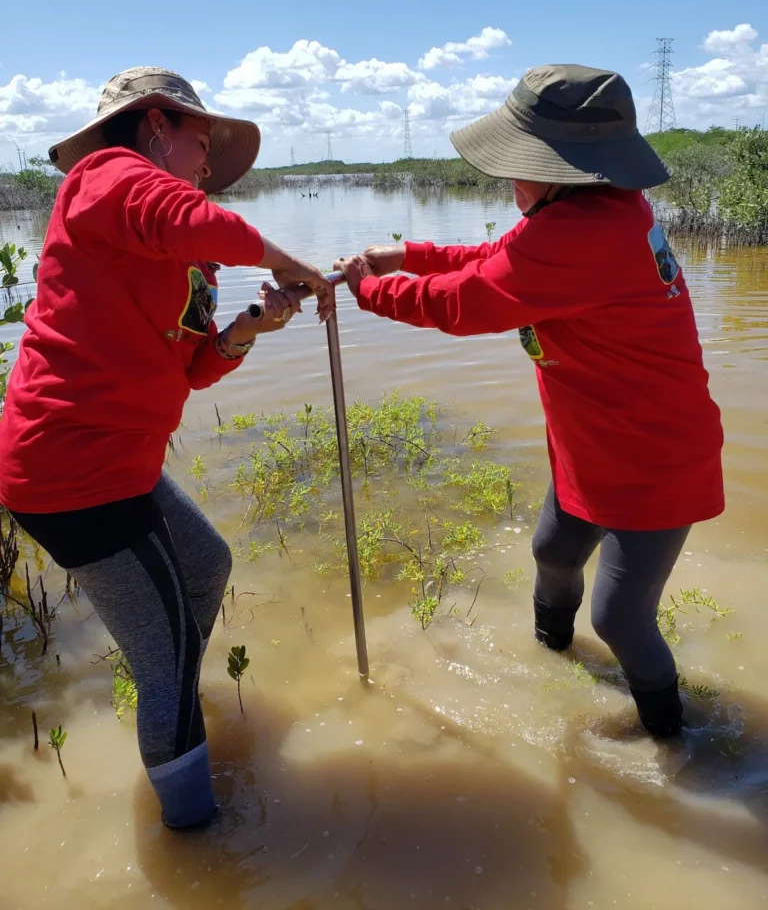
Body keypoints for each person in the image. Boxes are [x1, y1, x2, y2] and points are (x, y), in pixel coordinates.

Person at [335, 64, 724, 740]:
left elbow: (465, 302)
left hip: (656, 462)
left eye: (518, 164)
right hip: (599, 447)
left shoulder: (580, 235)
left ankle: (677, 744)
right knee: (552, 551)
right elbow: (494, 256)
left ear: (561, 170)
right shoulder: (589, 212)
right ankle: (552, 661)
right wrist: (408, 254)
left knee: (621, 617)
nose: (509, 177)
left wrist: (369, 290)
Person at [0, 67, 334, 828]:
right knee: (170, 655)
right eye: (201, 140)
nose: (208, 163)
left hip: (121, 464)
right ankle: (197, 841)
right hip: (71, 470)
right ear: (156, 125)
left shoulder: (182, 258)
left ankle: (168, 685)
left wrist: (247, 327)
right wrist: (285, 259)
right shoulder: (104, 178)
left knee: (208, 565)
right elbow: (183, 210)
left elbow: (189, 370)